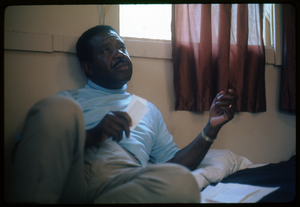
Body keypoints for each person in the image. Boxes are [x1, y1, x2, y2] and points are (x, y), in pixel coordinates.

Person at [8, 25, 238, 204]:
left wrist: (211, 127)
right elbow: (23, 155)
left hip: (122, 178)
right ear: (87, 67)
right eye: (106, 50)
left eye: (121, 47)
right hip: (69, 172)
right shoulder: (68, 100)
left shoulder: (143, 107)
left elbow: (176, 164)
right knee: (56, 108)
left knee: (183, 183)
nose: (118, 54)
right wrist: (92, 136)